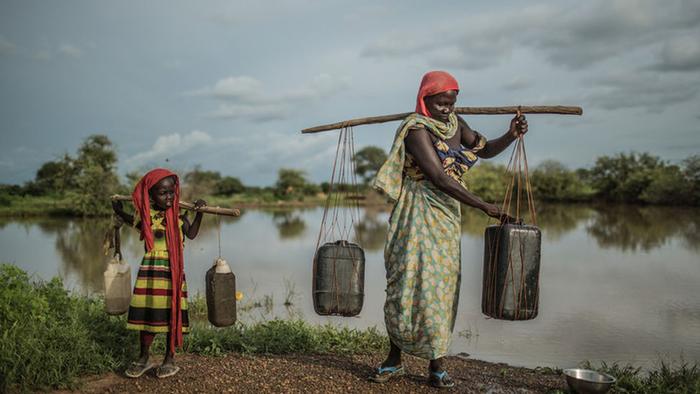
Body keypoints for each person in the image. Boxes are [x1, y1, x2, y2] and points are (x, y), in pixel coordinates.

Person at [370, 71, 527, 389]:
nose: (446, 109)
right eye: (440, 103)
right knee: (406, 281)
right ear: (424, 99)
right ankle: (394, 358)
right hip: (415, 211)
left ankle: (436, 364)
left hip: (445, 217)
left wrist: (511, 135)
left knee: (440, 286)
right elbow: (441, 178)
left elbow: (483, 150)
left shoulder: (458, 124)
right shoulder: (416, 130)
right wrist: (486, 206)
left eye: (451, 103)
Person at [112, 168, 206, 379]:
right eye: (162, 193)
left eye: (171, 192)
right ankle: (144, 358)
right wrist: (118, 212)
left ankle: (169, 359)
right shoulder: (146, 216)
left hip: (172, 272)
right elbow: (133, 221)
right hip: (150, 272)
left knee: (171, 314)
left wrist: (199, 212)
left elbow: (191, 235)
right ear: (151, 195)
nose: (169, 197)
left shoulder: (180, 218)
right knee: (148, 315)